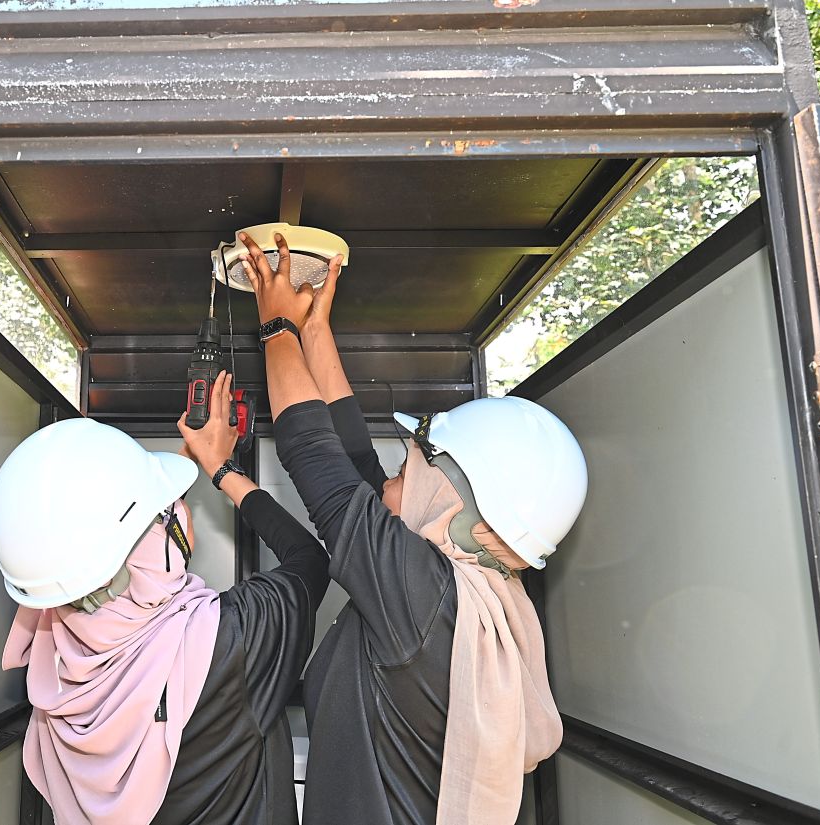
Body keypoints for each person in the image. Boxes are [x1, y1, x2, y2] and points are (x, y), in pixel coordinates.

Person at [237, 232, 588, 825]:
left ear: (453, 502)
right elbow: (360, 471)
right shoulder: (478, 596)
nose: (392, 476)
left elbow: (320, 463)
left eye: (410, 468)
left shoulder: (427, 597)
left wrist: (275, 328)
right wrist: (315, 333)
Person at [0, 372, 329, 825]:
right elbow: (308, 561)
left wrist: (171, 475)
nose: (180, 510)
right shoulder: (229, 642)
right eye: (168, 510)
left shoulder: (51, 664)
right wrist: (222, 470)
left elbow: (101, 547)